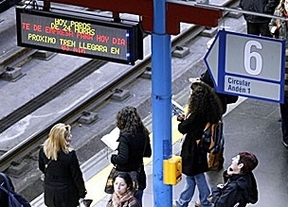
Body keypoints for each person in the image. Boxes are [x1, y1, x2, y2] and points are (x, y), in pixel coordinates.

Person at [174, 80, 223, 207]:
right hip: (201, 148)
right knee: (192, 177)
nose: (190, 96)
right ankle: (184, 202)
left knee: (196, 176)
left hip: (193, 149)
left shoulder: (196, 114)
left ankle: (205, 201)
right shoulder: (210, 109)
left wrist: (183, 120)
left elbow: (183, 128)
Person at [197, 70, 238, 171]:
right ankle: (216, 160)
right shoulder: (226, 72)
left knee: (213, 135)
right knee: (217, 134)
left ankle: (214, 160)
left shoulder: (211, 71)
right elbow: (233, 97)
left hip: (211, 110)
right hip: (218, 109)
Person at [110, 106, 152, 206]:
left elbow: (122, 158)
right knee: (137, 202)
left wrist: (113, 158)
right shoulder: (143, 133)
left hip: (125, 177)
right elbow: (148, 153)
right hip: (138, 174)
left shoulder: (125, 136)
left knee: (119, 202)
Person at [38, 123, 87, 207]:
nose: (71, 137)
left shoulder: (44, 150)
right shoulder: (69, 155)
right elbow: (77, 176)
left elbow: (41, 167)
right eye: (68, 136)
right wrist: (82, 193)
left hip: (50, 193)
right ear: (62, 139)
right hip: (67, 195)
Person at [268, 0, 288, 148]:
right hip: (282, 51)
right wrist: (274, 29)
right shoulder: (278, 12)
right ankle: (286, 135)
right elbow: (271, 25)